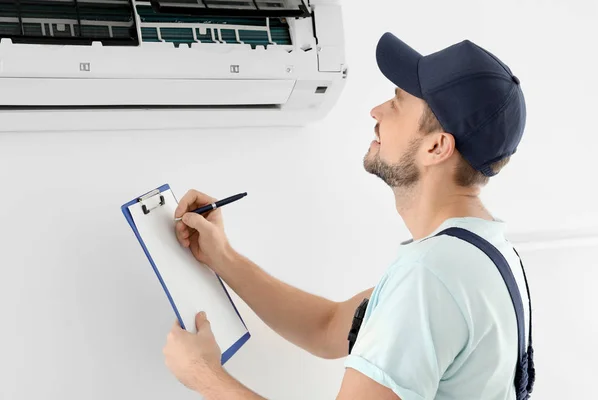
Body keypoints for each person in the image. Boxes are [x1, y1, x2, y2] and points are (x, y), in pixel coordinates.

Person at [161, 32, 533, 400]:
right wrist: (221, 256)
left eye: (398, 101)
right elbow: (328, 327)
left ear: (436, 147)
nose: (377, 111)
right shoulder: (486, 253)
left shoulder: (430, 275)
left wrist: (203, 375)